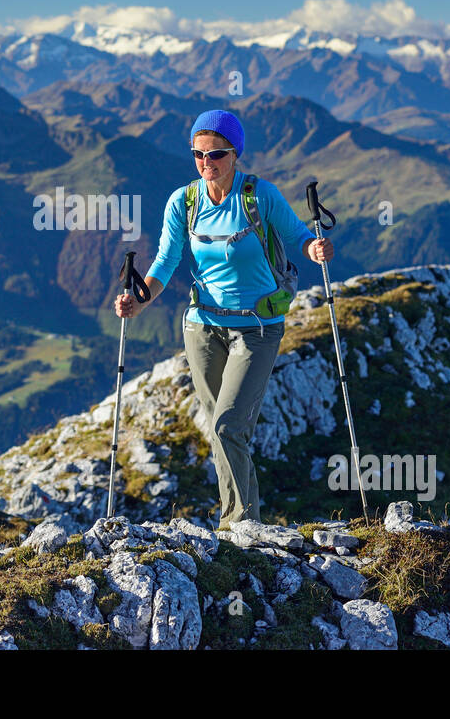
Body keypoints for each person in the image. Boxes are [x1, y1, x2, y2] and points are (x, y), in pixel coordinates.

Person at [113, 109, 334, 530]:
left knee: (229, 425)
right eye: (198, 154)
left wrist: (315, 250)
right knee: (222, 429)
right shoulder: (184, 202)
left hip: (257, 327)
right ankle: (246, 523)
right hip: (201, 327)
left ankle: (236, 527)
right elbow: (166, 261)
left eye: (215, 154)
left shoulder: (260, 196)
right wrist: (139, 302)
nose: (206, 162)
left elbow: (299, 236)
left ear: (236, 154)